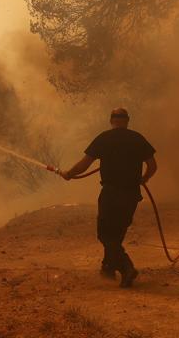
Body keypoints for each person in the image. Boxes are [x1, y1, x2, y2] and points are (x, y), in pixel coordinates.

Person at [60, 107, 157, 288]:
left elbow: (84, 164)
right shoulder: (137, 139)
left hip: (111, 193)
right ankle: (108, 269)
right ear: (127, 120)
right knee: (117, 232)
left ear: (111, 120)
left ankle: (126, 267)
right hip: (131, 194)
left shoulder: (104, 138)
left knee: (105, 234)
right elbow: (152, 165)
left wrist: (69, 174)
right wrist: (144, 179)